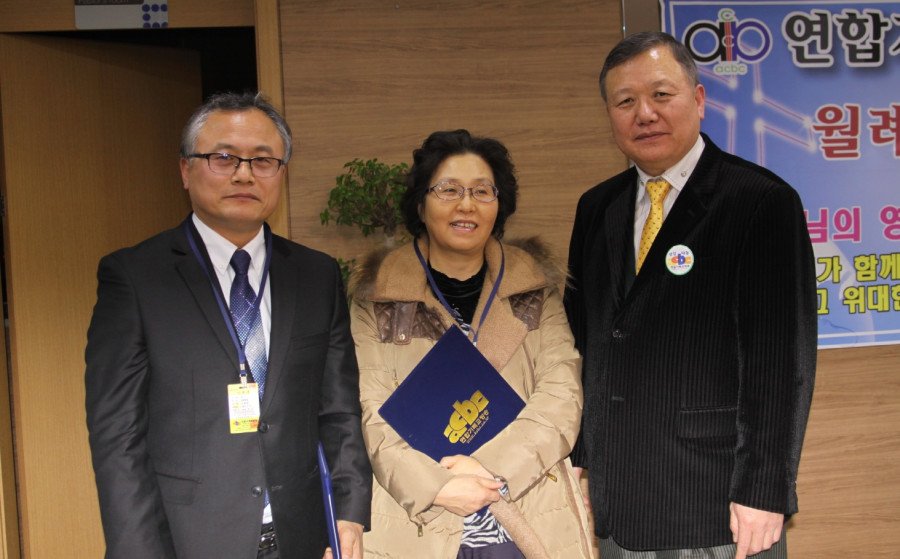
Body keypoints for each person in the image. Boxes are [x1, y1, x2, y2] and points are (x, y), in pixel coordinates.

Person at [85, 92, 372, 559]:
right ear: (185, 169)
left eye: (263, 160)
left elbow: (338, 408)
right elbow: (118, 435)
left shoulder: (315, 274)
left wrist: (349, 511)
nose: (244, 174)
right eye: (223, 158)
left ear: (281, 172)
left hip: (303, 534)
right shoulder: (136, 276)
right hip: (190, 539)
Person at [564, 32, 817, 559]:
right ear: (609, 115)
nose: (645, 114)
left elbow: (779, 362)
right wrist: (583, 458)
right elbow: (583, 341)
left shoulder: (761, 202)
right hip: (619, 498)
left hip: (718, 501)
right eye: (625, 101)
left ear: (699, 100)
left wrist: (764, 490)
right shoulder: (597, 208)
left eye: (661, 94)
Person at [349, 129, 593, 558]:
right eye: (449, 190)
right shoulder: (377, 298)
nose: (466, 204)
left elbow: (561, 396)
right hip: (418, 524)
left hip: (528, 513)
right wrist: (437, 487)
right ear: (420, 204)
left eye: (482, 191)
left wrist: (489, 469)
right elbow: (370, 411)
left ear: (500, 204)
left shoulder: (534, 290)